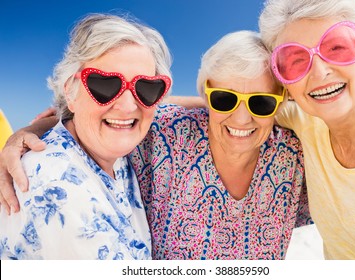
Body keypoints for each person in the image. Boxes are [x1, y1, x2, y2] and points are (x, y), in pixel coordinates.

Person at [0, 30, 311, 259]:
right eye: (224, 99)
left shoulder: (294, 153)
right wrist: (38, 129)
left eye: (261, 103)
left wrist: (50, 124)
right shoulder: (167, 134)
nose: (242, 118)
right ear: (206, 98)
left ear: (280, 104)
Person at [0, 13, 173, 259]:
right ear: (70, 90)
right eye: (104, 85)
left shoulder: (107, 151)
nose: (127, 106)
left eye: (146, 88)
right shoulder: (61, 187)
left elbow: (221, 112)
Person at [258, 0, 355, 259]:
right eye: (295, 61)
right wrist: (153, 102)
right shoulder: (305, 120)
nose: (319, 72)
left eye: (337, 48)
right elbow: (236, 108)